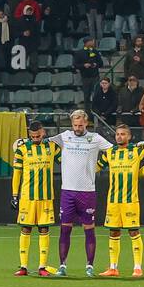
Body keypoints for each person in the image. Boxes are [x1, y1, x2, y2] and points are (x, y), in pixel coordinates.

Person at [47, 110, 113, 277]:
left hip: (87, 192)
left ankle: (89, 266)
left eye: (80, 124)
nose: (77, 128)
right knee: (65, 229)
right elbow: (41, 141)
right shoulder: (65, 136)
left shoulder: (96, 138)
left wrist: (136, 147)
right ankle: (62, 265)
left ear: (86, 123)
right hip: (67, 191)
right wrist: (21, 142)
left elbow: (114, 150)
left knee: (89, 229)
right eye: (75, 125)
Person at [96, 123, 144, 277]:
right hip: (113, 201)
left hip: (130, 201)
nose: (120, 136)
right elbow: (97, 167)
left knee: (133, 232)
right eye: (118, 134)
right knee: (113, 232)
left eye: (123, 134)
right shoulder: (110, 153)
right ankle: (113, 267)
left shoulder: (135, 151)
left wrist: (140, 172)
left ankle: (138, 267)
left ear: (129, 136)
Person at [10, 121, 60, 277]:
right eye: (32, 136)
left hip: (45, 196)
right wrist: (14, 195)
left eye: (38, 136)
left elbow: (67, 162)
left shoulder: (52, 147)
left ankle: (42, 267)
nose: (36, 138)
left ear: (43, 132)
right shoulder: (22, 150)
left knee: (44, 229)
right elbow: (17, 174)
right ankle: (23, 266)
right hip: (27, 197)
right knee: (26, 229)